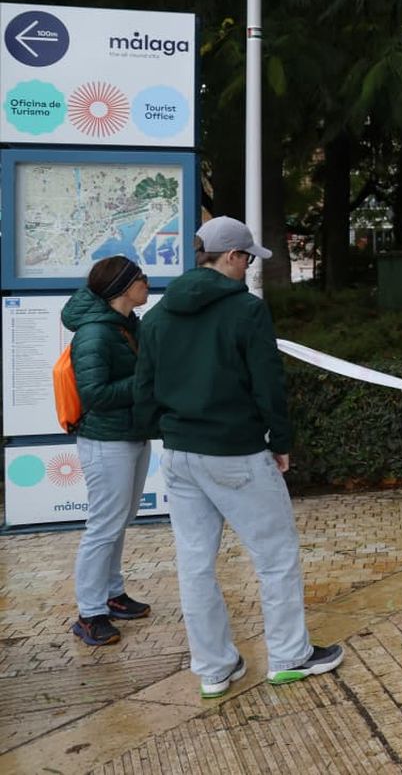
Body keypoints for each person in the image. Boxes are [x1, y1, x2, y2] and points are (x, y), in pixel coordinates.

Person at [133, 216, 342, 699]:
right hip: (235, 453)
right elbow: (268, 383)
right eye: (248, 257)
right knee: (275, 556)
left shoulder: (159, 315)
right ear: (230, 257)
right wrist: (281, 441)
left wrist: (159, 431)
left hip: (181, 454)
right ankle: (290, 656)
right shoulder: (246, 311)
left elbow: (145, 388)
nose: (250, 266)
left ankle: (213, 668)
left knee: (195, 564)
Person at [66, 256, 154, 647]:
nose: (147, 283)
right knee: (104, 525)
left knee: (120, 518)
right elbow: (95, 396)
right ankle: (89, 613)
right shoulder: (96, 334)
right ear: (122, 289)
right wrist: (146, 380)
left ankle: (113, 594)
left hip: (130, 434)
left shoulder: (126, 325)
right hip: (106, 440)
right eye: (141, 279)